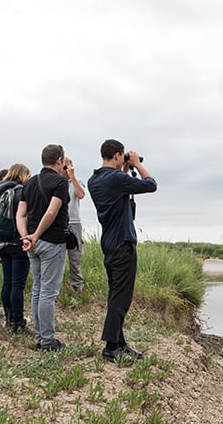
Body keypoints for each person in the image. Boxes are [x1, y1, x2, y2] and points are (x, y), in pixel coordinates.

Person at [87, 139, 157, 362]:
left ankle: (120, 342)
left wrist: (125, 168)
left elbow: (118, 188)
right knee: (121, 297)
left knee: (115, 293)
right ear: (117, 155)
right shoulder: (116, 178)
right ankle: (110, 347)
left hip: (109, 242)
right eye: (123, 156)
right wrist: (136, 164)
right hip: (122, 243)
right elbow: (151, 184)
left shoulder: (94, 179)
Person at [17, 144, 70, 351]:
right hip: (51, 241)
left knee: (38, 289)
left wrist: (26, 237)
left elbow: (21, 214)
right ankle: (47, 340)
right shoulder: (60, 182)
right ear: (59, 160)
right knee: (48, 291)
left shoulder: (29, 183)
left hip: (32, 243)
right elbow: (51, 212)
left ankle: (40, 336)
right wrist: (36, 235)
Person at [0, 163, 33, 334]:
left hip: (2, 241)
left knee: (7, 281)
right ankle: (18, 322)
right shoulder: (20, 192)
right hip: (18, 241)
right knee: (18, 284)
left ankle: (9, 319)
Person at [63, 157, 87, 292]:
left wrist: (73, 178)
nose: (67, 170)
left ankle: (77, 285)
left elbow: (81, 194)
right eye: (65, 168)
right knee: (58, 256)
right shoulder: (57, 182)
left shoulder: (77, 182)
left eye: (70, 167)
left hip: (74, 221)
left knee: (75, 256)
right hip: (60, 222)